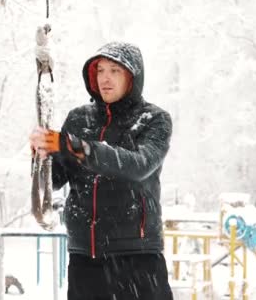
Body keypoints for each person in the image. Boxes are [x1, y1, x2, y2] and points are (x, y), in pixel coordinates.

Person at [30, 42, 174, 300]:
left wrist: (80, 148)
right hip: (86, 257)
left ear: (132, 76)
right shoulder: (78, 119)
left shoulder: (154, 119)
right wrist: (42, 156)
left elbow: (138, 165)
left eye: (115, 71)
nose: (105, 78)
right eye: (100, 71)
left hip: (137, 257)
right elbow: (56, 181)